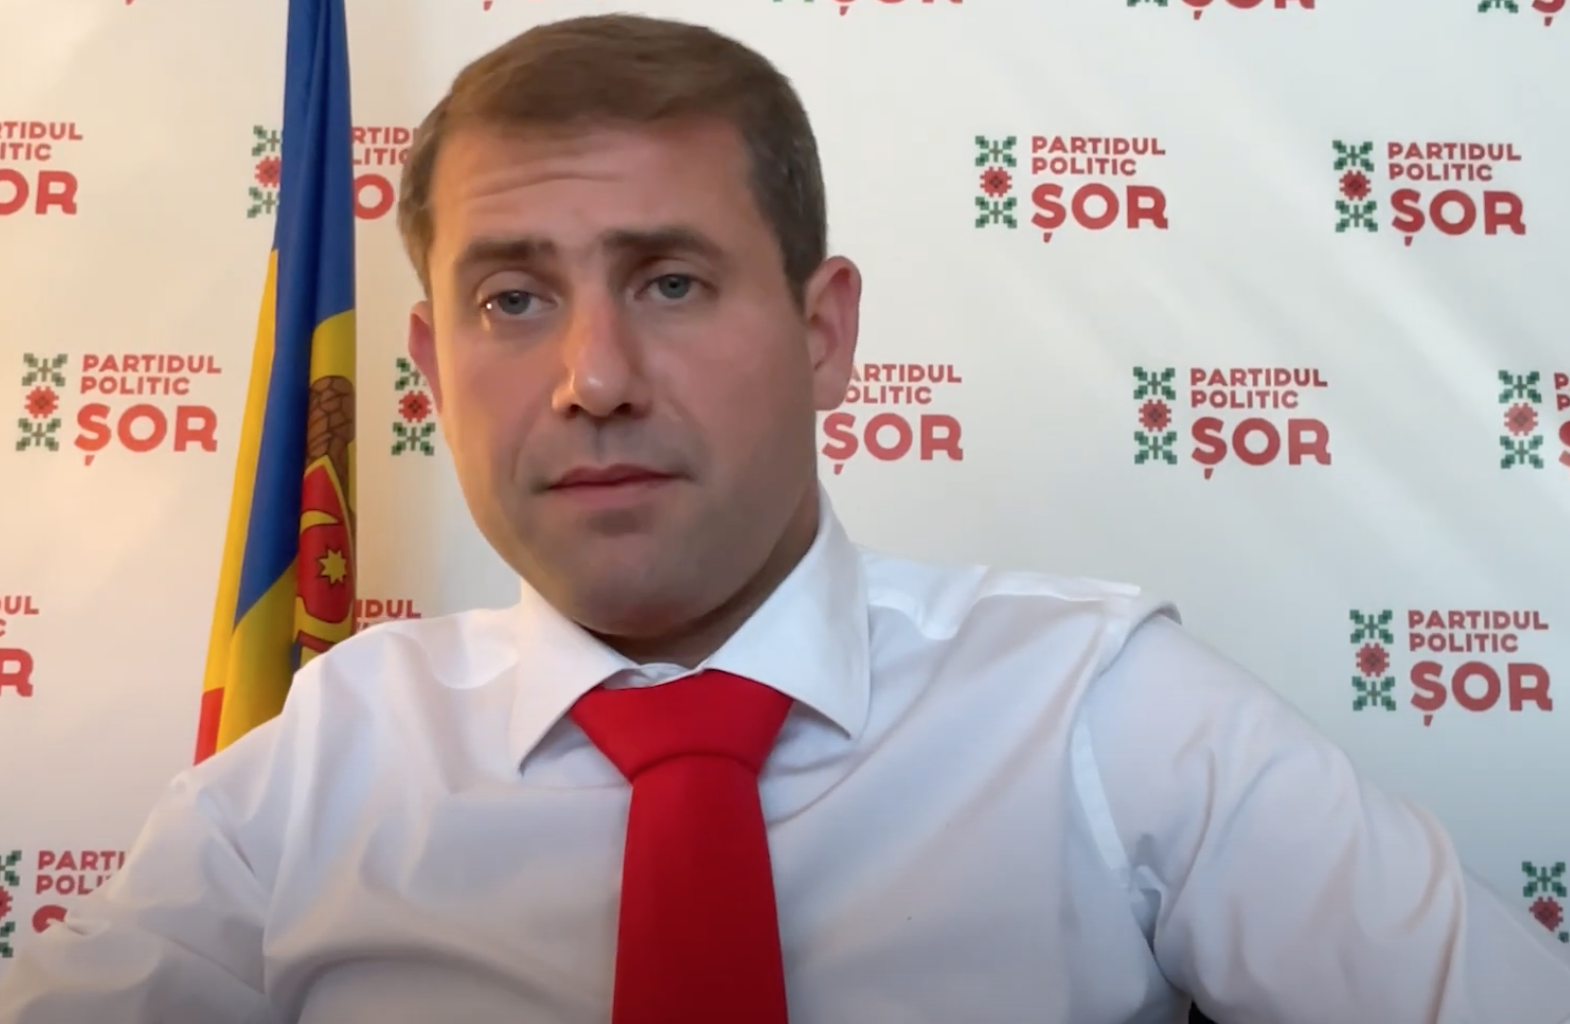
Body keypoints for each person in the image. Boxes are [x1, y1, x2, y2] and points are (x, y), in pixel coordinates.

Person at [3, 13, 1568, 1024]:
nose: (592, 379)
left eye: (671, 282)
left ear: (824, 334)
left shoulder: (1106, 711)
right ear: (428, 367)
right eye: (512, 299)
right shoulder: (310, 771)